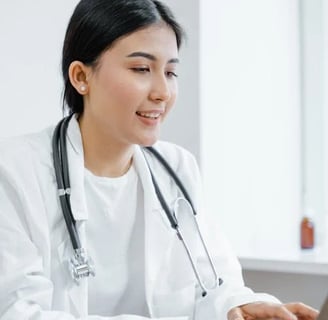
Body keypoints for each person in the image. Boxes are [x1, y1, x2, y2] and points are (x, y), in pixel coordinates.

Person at [0, 1, 319, 319]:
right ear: (81, 76)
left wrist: (236, 307)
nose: (163, 92)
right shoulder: (15, 172)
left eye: (170, 71)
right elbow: (18, 312)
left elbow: (213, 282)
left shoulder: (177, 168)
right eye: (141, 69)